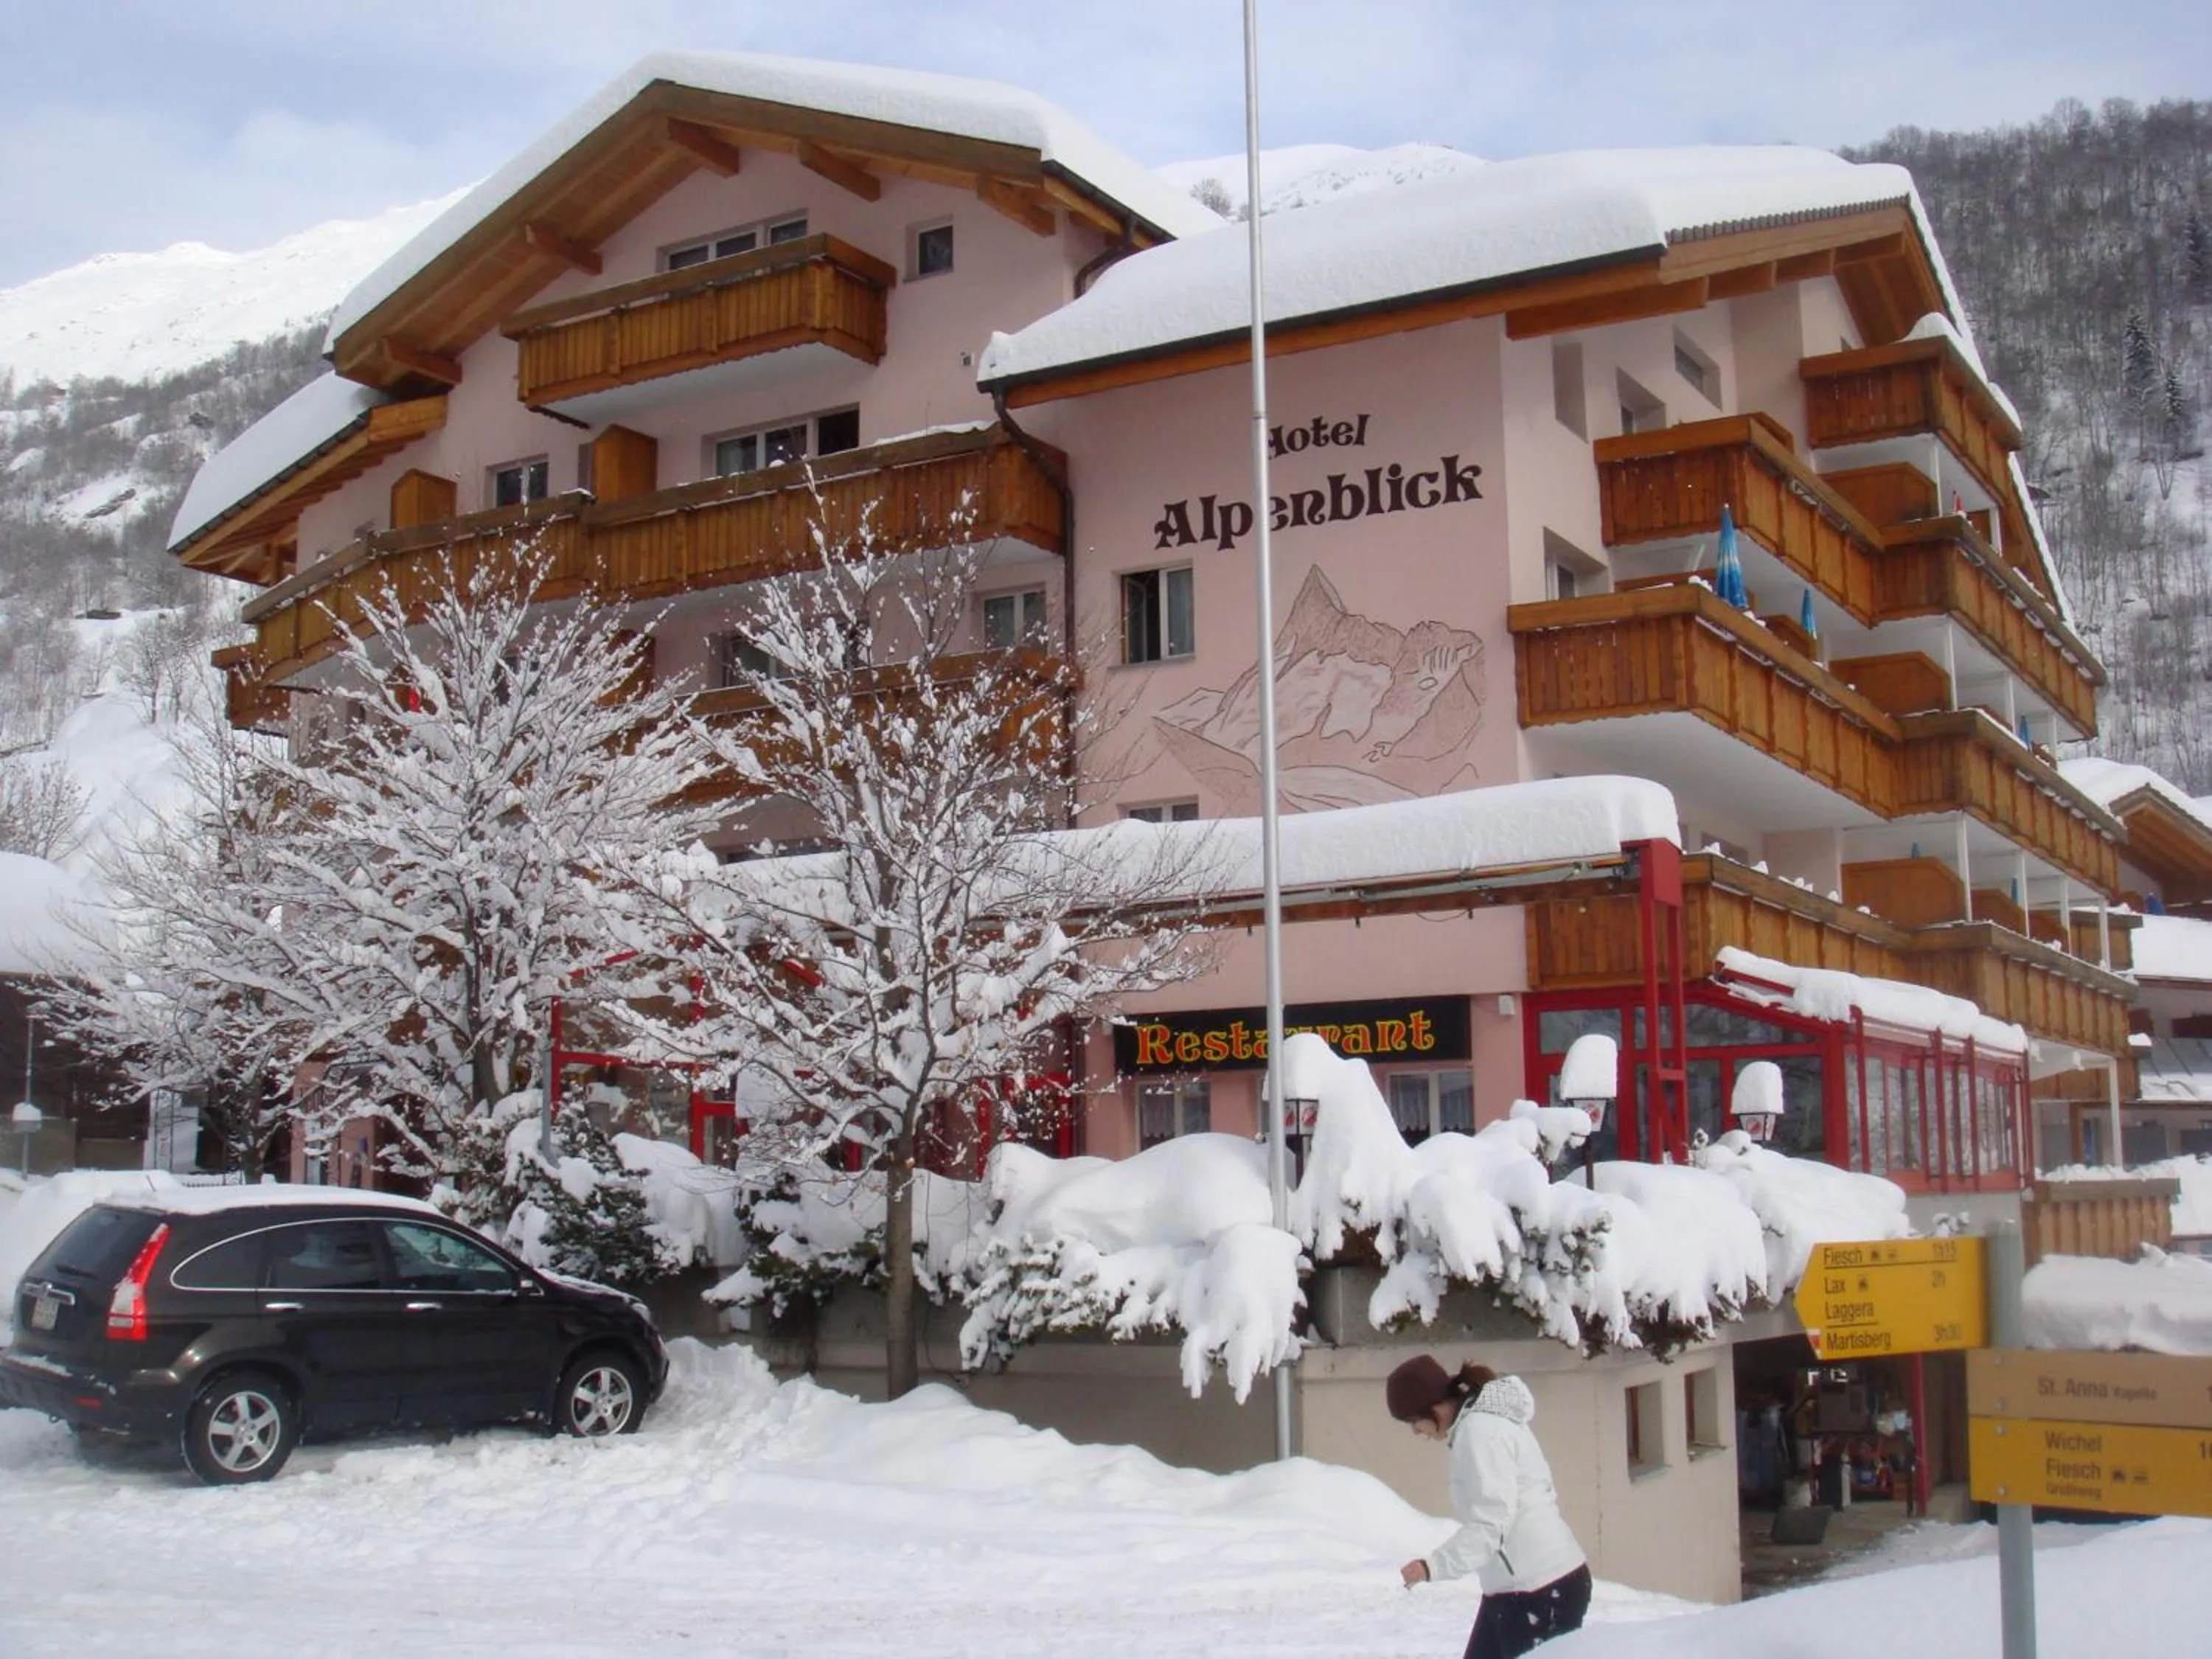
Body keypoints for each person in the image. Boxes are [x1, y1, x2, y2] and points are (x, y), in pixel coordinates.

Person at [1387, 1354, 1591, 1659]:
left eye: (1414, 1420)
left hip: (1540, 1587)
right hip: (1516, 1587)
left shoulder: (1480, 1432)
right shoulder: (1479, 1425)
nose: (1416, 1431)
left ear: (1433, 1404)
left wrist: (1433, 1567)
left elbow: (1490, 1525)